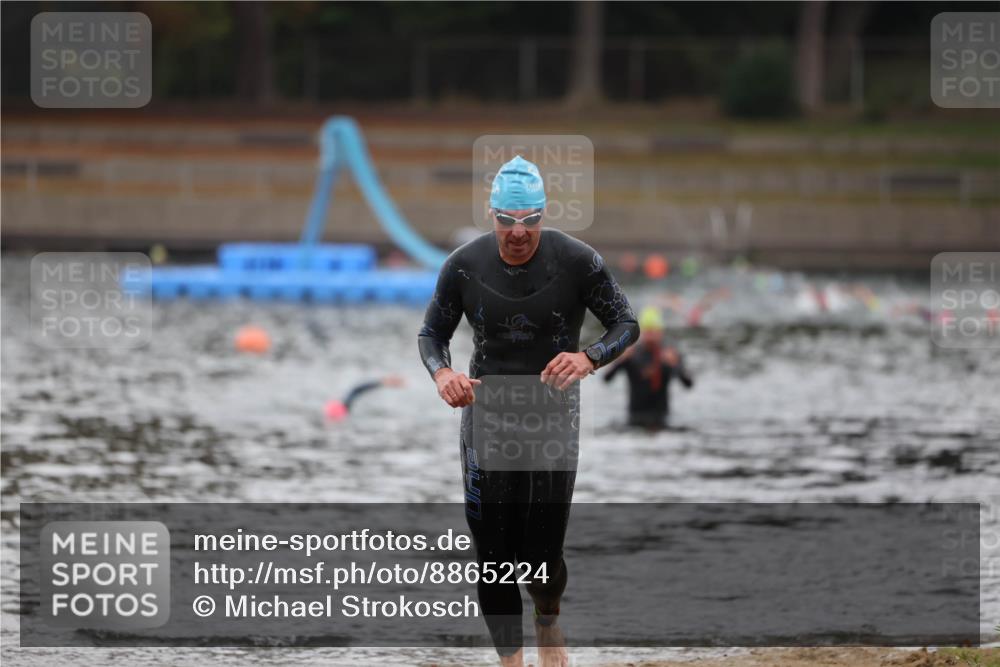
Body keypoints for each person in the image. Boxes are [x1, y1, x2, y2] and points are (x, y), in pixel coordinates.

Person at [417, 155, 638, 667]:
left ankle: (548, 615)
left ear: (544, 214)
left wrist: (589, 357)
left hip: (553, 419)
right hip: (487, 415)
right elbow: (432, 333)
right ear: (491, 214)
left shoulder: (578, 261)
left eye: (530, 220)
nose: (518, 233)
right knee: (493, 558)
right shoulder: (464, 265)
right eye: (507, 221)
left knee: (539, 562)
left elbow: (625, 323)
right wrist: (443, 374)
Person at [603, 306, 693, 430]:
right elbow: (606, 379)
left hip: (663, 417)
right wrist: (620, 360)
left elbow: (688, 384)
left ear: (661, 332)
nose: (651, 336)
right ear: (642, 333)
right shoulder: (632, 354)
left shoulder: (670, 354)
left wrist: (675, 364)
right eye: (648, 331)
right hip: (634, 418)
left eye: (654, 331)